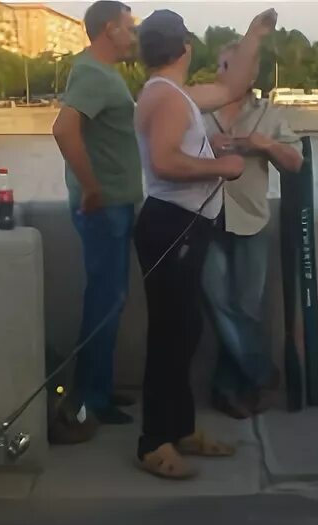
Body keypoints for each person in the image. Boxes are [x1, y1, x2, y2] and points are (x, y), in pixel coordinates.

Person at [131, 8, 277, 479]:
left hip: (182, 226)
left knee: (187, 329)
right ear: (186, 48)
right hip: (171, 225)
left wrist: (254, 35)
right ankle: (154, 442)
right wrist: (221, 167)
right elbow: (165, 162)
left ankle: (181, 427)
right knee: (171, 335)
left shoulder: (172, 94)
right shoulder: (170, 99)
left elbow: (234, 88)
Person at [51, 0, 141, 432]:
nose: (134, 36)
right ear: (110, 29)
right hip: (104, 210)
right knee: (105, 304)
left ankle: (99, 389)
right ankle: (89, 398)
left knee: (110, 301)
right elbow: (64, 128)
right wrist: (91, 187)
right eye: (130, 28)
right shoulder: (91, 72)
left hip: (115, 207)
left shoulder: (103, 74)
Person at [203, 43, 304, 419]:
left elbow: (295, 163)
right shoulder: (199, 112)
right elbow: (166, 153)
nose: (221, 72)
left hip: (251, 220)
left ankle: (228, 389)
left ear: (250, 73)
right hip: (205, 219)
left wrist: (267, 144)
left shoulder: (269, 115)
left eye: (228, 65)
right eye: (219, 65)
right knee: (217, 303)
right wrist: (204, 148)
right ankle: (262, 373)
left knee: (246, 308)